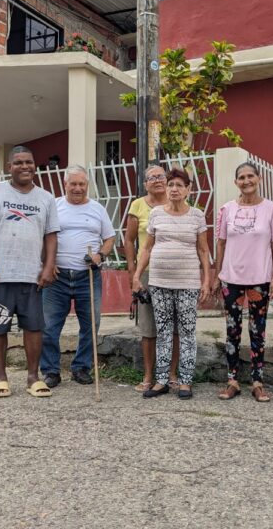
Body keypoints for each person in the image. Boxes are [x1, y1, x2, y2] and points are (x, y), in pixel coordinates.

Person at [0, 145, 59, 398]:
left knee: (34, 328)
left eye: (29, 162)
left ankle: (33, 378)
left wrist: (48, 267)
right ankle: (1, 378)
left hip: (32, 276)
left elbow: (51, 236)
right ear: (9, 167)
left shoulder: (46, 198)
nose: (25, 167)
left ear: (35, 166)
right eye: (19, 162)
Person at [132, 168, 212, 400]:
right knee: (164, 331)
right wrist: (137, 275)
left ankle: (185, 381)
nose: (174, 189)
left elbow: (203, 249)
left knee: (186, 331)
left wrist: (206, 280)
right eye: (170, 185)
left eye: (179, 185)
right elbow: (147, 248)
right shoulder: (156, 214)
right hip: (159, 282)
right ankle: (161, 381)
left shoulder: (196, 215)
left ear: (188, 189)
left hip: (188, 282)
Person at [213, 162, 273, 403]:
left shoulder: (271, 209)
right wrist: (218, 274)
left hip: (260, 279)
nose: (246, 181)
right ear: (236, 182)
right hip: (231, 279)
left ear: (259, 178)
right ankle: (232, 380)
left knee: (258, 331)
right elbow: (221, 243)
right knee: (232, 330)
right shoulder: (227, 209)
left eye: (250, 176)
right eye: (241, 177)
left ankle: (257, 382)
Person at [40, 165, 116, 388]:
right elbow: (42, 235)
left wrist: (100, 256)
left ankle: (81, 368)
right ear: (65, 184)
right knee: (49, 326)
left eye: (81, 184)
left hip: (88, 275)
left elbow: (110, 238)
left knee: (91, 324)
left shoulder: (97, 209)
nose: (77, 188)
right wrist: (47, 263)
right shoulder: (54, 206)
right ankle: (51, 371)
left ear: (87, 185)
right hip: (57, 277)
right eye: (73, 183)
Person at [124, 164, 180, 393]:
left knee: (174, 326)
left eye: (161, 176)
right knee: (149, 327)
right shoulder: (137, 205)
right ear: (145, 184)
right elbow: (129, 240)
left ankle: (172, 374)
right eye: (151, 177)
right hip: (147, 272)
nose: (157, 180)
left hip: (174, 272)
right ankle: (148, 375)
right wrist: (132, 273)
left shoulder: (177, 201)